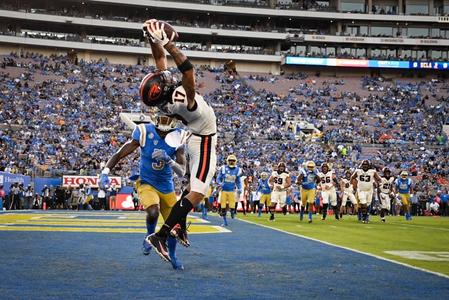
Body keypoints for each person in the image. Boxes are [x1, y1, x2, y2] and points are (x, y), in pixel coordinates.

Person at [142, 19, 217, 263]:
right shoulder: (182, 98)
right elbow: (187, 70)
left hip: (196, 137)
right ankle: (161, 235)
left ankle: (180, 226)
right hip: (204, 138)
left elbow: (160, 62)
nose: (163, 78)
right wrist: (170, 44)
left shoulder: (164, 99)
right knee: (198, 192)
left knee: (191, 189)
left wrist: (153, 40)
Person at [100, 115, 187, 269]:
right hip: (147, 181)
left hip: (166, 185)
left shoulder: (178, 135)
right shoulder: (144, 131)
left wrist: (169, 160)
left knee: (174, 227)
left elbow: (181, 172)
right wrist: (105, 172)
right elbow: (120, 153)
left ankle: (172, 255)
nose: (163, 129)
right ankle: (149, 236)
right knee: (153, 211)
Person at [216, 154, 243, 226]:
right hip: (224, 190)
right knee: (223, 207)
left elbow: (238, 181)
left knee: (232, 206)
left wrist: (240, 188)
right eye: (230, 161)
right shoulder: (223, 168)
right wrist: (220, 183)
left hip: (231, 191)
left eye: (233, 161)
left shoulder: (237, 169)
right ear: (227, 161)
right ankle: (224, 221)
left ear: (235, 161)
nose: (231, 162)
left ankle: (232, 212)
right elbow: (218, 178)